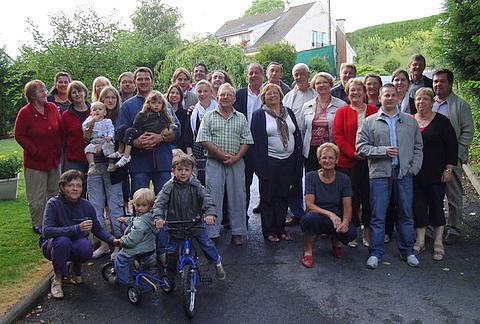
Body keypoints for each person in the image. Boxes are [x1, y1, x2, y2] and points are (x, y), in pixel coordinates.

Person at [356, 84, 423, 270]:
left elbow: (418, 147)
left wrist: (413, 168)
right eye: (386, 95)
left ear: (398, 98)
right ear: (380, 97)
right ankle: (376, 253)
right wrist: (382, 151)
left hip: (404, 174)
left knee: (406, 214)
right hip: (379, 174)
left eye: (393, 95)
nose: (390, 98)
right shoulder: (369, 121)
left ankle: (407, 251)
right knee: (378, 216)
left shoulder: (410, 121)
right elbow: (360, 147)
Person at [41, 170, 114, 299]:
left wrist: (113, 240)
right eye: (70, 185)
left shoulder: (86, 205)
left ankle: (75, 271)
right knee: (63, 241)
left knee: (85, 246)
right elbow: (46, 231)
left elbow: (97, 228)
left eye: (78, 185)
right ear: (62, 187)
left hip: (76, 242)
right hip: (53, 245)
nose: (75, 189)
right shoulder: (53, 203)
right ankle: (57, 279)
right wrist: (76, 228)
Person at [153, 153, 226, 283]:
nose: (183, 173)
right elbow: (159, 202)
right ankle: (170, 276)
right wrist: (158, 217)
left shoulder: (195, 184)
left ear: (192, 171)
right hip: (176, 225)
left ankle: (217, 262)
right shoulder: (169, 186)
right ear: (173, 170)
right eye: (179, 170)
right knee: (171, 250)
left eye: (187, 170)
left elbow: (206, 199)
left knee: (207, 244)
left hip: (195, 223)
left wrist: (209, 214)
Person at [196, 83, 254, 245]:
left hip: (236, 162)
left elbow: (247, 141)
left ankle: (238, 232)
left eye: (229, 95)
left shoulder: (241, 117)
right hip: (214, 162)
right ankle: (213, 232)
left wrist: (236, 158)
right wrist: (221, 155)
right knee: (213, 197)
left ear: (234, 99)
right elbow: (204, 139)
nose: (225, 97)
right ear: (217, 97)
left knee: (238, 197)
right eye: (222, 95)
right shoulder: (209, 116)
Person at [250, 83, 303, 242]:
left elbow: (296, 134)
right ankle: (269, 231)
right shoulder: (259, 115)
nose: (272, 96)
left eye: (275, 93)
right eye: (268, 94)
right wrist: (260, 168)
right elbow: (255, 142)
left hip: (289, 161)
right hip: (269, 162)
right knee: (268, 198)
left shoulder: (289, 113)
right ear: (263, 98)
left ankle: (281, 229)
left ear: (281, 95)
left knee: (283, 196)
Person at [116, 67, 180, 195]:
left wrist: (161, 137)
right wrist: (135, 142)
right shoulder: (128, 106)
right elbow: (120, 131)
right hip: (139, 162)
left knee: (163, 200)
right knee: (140, 200)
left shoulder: (164, 104)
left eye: (146, 79)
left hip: (162, 160)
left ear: (152, 81)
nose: (143, 82)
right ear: (135, 82)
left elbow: (177, 129)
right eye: (140, 79)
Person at [412, 87, 458, 261]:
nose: (421, 102)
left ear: (432, 102)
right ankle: (421, 239)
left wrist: (449, 169)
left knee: (437, 205)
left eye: (425, 99)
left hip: (436, 173)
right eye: (418, 99)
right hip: (415, 173)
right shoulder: (410, 120)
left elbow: (452, 146)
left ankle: (438, 242)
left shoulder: (442, 121)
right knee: (418, 205)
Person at [14, 80, 63, 235]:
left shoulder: (52, 107)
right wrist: (35, 151)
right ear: (32, 95)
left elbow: (60, 127)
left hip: (54, 159)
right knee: (37, 196)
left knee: (55, 192)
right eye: (41, 91)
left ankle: (52, 221)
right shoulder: (25, 112)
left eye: (44, 89)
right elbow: (19, 135)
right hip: (35, 162)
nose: (45, 93)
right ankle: (38, 224)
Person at [333, 79, 378, 248]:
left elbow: (380, 134)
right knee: (350, 198)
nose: (356, 93)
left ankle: (367, 229)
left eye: (359, 90)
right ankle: (351, 231)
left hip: (370, 162)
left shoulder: (374, 110)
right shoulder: (342, 112)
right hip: (348, 161)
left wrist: (368, 153)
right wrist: (353, 153)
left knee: (368, 197)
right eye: (352, 90)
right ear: (347, 92)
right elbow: (338, 136)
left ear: (364, 92)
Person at [432, 69, 474, 245]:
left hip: (452, 158)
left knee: (454, 194)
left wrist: (456, 154)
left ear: (450, 84)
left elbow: (467, 132)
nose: (438, 85)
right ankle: (431, 227)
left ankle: (454, 227)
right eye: (435, 81)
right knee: (432, 193)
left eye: (442, 81)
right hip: (432, 158)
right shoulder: (429, 102)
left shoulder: (460, 105)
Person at [300, 143, 356, 268]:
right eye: (324, 157)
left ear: (337, 160)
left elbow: (348, 207)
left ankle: (336, 243)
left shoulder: (344, 179)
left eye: (331, 158)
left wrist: (345, 223)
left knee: (351, 232)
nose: (327, 161)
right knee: (310, 219)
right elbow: (309, 205)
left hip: (337, 217)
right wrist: (330, 214)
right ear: (319, 160)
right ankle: (308, 251)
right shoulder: (311, 177)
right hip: (318, 215)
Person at [85, 86, 125, 260]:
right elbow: (85, 138)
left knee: (115, 206)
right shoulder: (92, 118)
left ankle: (118, 243)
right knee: (96, 206)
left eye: (113, 97)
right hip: (95, 167)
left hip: (113, 167)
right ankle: (103, 243)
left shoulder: (119, 118)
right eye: (106, 98)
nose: (109, 100)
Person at [282, 63, 316, 226]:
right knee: (294, 178)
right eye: (295, 74)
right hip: (292, 142)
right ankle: (296, 211)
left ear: (308, 75)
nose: (298, 77)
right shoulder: (288, 96)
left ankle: (313, 210)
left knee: (312, 176)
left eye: (301, 74)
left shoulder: (315, 94)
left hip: (311, 141)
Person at [112, 91, 176, 169]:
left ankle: (126, 156)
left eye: (159, 103)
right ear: (149, 104)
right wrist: (137, 140)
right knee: (124, 130)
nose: (156, 105)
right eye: (153, 103)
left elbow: (174, 126)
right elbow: (136, 125)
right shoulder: (142, 114)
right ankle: (122, 152)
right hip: (142, 136)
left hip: (160, 150)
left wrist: (166, 133)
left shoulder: (165, 115)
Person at [109, 188, 158, 285]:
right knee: (146, 268)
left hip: (139, 249)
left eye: (143, 205)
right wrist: (126, 220)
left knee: (120, 257)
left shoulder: (140, 223)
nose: (139, 208)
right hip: (150, 249)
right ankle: (145, 281)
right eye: (137, 205)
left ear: (150, 206)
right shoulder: (150, 217)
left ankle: (122, 280)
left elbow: (132, 239)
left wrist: (121, 241)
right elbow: (135, 220)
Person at [300, 72, 346, 173]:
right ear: (314, 86)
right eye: (318, 83)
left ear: (330, 85)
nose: (321, 85)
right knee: (312, 180)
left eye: (325, 82)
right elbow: (302, 130)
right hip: (311, 151)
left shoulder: (341, 105)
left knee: (331, 180)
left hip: (332, 151)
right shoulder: (307, 106)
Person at [234, 63, 264, 215]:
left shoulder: (268, 92)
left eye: (256, 72)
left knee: (265, 180)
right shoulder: (239, 94)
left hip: (263, 144)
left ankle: (265, 210)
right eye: (250, 73)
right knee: (244, 182)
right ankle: (242, 216)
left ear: (262, 75)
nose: (253, 76)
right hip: (244, 145)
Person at [185, 80, 217, 185]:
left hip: (215, 150)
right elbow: (188, 135)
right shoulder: (192, 112)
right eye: (199, 91)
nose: (202, 94)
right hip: (197, 152)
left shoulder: (218, 110)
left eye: (205, 91)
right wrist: (190, 155)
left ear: (211, 92)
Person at [60, 81, 91, 176]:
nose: (77, 94)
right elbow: (62, 138)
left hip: (94, 157)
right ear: (70, 96)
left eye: (79, 91)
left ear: (85, 92)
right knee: (74, 187)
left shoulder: (94, 111)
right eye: (74, 92)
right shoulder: (66, 115)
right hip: (74, 158)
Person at [82, 102, 115, 175]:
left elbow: (111, 129)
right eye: (94, 110)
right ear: (91, 113)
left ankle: (111, 162)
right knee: (88, 149)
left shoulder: (107, 121)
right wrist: (93, 120)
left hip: (105, 140)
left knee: (110, 146)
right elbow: (84, 126)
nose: (97, 111)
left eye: (100, 109)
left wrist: (110, 136)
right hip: (94, 141)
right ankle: (91, 165)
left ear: (105, 112)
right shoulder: (89, 120)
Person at [166, 83, 188, 152]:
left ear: (181, 96)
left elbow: (185, 134)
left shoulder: (185, 114)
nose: (174, 95)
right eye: (172, 93)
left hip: (180, 149)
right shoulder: (162, 112)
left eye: (177, 93)